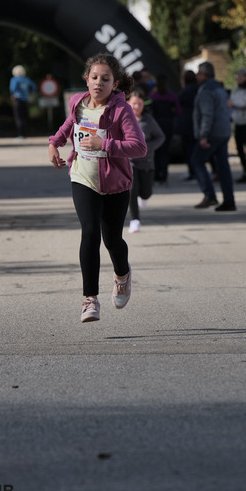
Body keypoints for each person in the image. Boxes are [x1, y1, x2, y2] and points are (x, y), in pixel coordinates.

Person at [48, 53, 146, 323]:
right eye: (94, 78)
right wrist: (54, 143)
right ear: (86, 79)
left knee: (112, 240)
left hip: (115, 184)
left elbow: (139, 147)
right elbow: (68, 126)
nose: (98, 83)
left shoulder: (121, 110)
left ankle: (122, 275)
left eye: (105, 79)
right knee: (90, 232)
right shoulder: (77, 104)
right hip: (83, 179)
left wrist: (105, 144)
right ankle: (89, 299)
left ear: (115, 84)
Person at [191, 61, 236, 211]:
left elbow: (207, 114)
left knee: (197, 161)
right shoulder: (219, 88)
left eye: (198, 74)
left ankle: (210, 195)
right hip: (224, 131)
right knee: (223, 167)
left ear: (204, 75)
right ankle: (229, 200)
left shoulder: (206, 90)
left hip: (212, 133)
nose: (197, 76)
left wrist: (203, 135)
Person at [127, 90, 165, 233]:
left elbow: (160, 137)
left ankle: (143, 197)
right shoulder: (123, 119)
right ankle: (135, 220)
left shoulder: (148, 121)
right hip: (128, 162)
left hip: (146, 162)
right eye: (134, 103)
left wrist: (147, 148)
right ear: (128, 103)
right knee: (132, 190)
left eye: (140, 104)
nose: (137, 107)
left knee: (146, 193)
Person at [148, 74, 181, 184]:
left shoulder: (153, 96)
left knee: (156, 150)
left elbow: (148, 107)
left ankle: (156, 174)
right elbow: (178, 111)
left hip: (156, 125)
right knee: (165, 152)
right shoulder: (172, 96)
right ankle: (164, 175)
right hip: (168, 125)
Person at [176, 70, 199, 180]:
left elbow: (177, 105)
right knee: (196, 149)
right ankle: (196, 172)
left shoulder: (184, 92)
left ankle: (192, 172)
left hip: (186, 124)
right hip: (197, 123)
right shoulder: (199, 89)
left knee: (188, 149)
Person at [9, 65, 37, 139]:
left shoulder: (14, 79)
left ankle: (20, 135)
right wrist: (29, 93)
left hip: (18, 100)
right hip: (25, 100)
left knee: (18, 118)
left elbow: (13, 89)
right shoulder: (26, 79)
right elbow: (34, 87)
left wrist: (15, 94)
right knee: (24, 118)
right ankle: (25, 134)